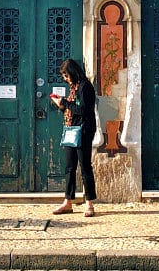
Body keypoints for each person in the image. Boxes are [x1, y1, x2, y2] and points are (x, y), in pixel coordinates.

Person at [50, 58, 97, 216]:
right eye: (64, 76)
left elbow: (83, 110)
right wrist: (61, 105)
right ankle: (68, 201)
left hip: (83, 131)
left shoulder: (85, 87)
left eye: (66, 75)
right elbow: (71, 110)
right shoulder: (73, 88)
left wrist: (65, 102)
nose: (65, 79)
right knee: (70, 168)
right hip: (71, 130)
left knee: (85, 167)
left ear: (73, 73)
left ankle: (89, 203)